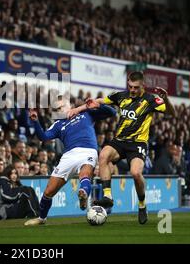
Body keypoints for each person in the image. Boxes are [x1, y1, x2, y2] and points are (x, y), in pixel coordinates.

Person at [68, 71, 175, 224]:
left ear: (143, 86)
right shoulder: (121, 96)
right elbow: (100, 101)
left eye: (136, 88)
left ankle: (142, 204)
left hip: (138, 143)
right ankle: (108, 196)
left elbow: (172, 112)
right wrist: (78, 109)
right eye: (130, 86)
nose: (132, 90)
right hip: (120, 141)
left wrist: (167, 99)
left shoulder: (151, 100)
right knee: (103, 155)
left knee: (136, 173)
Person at [24, 95, 116, 226]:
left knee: (85, 173)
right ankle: (41, 218)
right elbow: (43, 137)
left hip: (87, 150)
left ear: (70, 105)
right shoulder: (57, 124)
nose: (59, 110)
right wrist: (35, 121)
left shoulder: (85, 113)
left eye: (62, 106)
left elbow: (112, 112)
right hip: (68, 156)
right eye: (56, 109)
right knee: (49, 191)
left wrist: (98, 105)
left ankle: (83, 193)